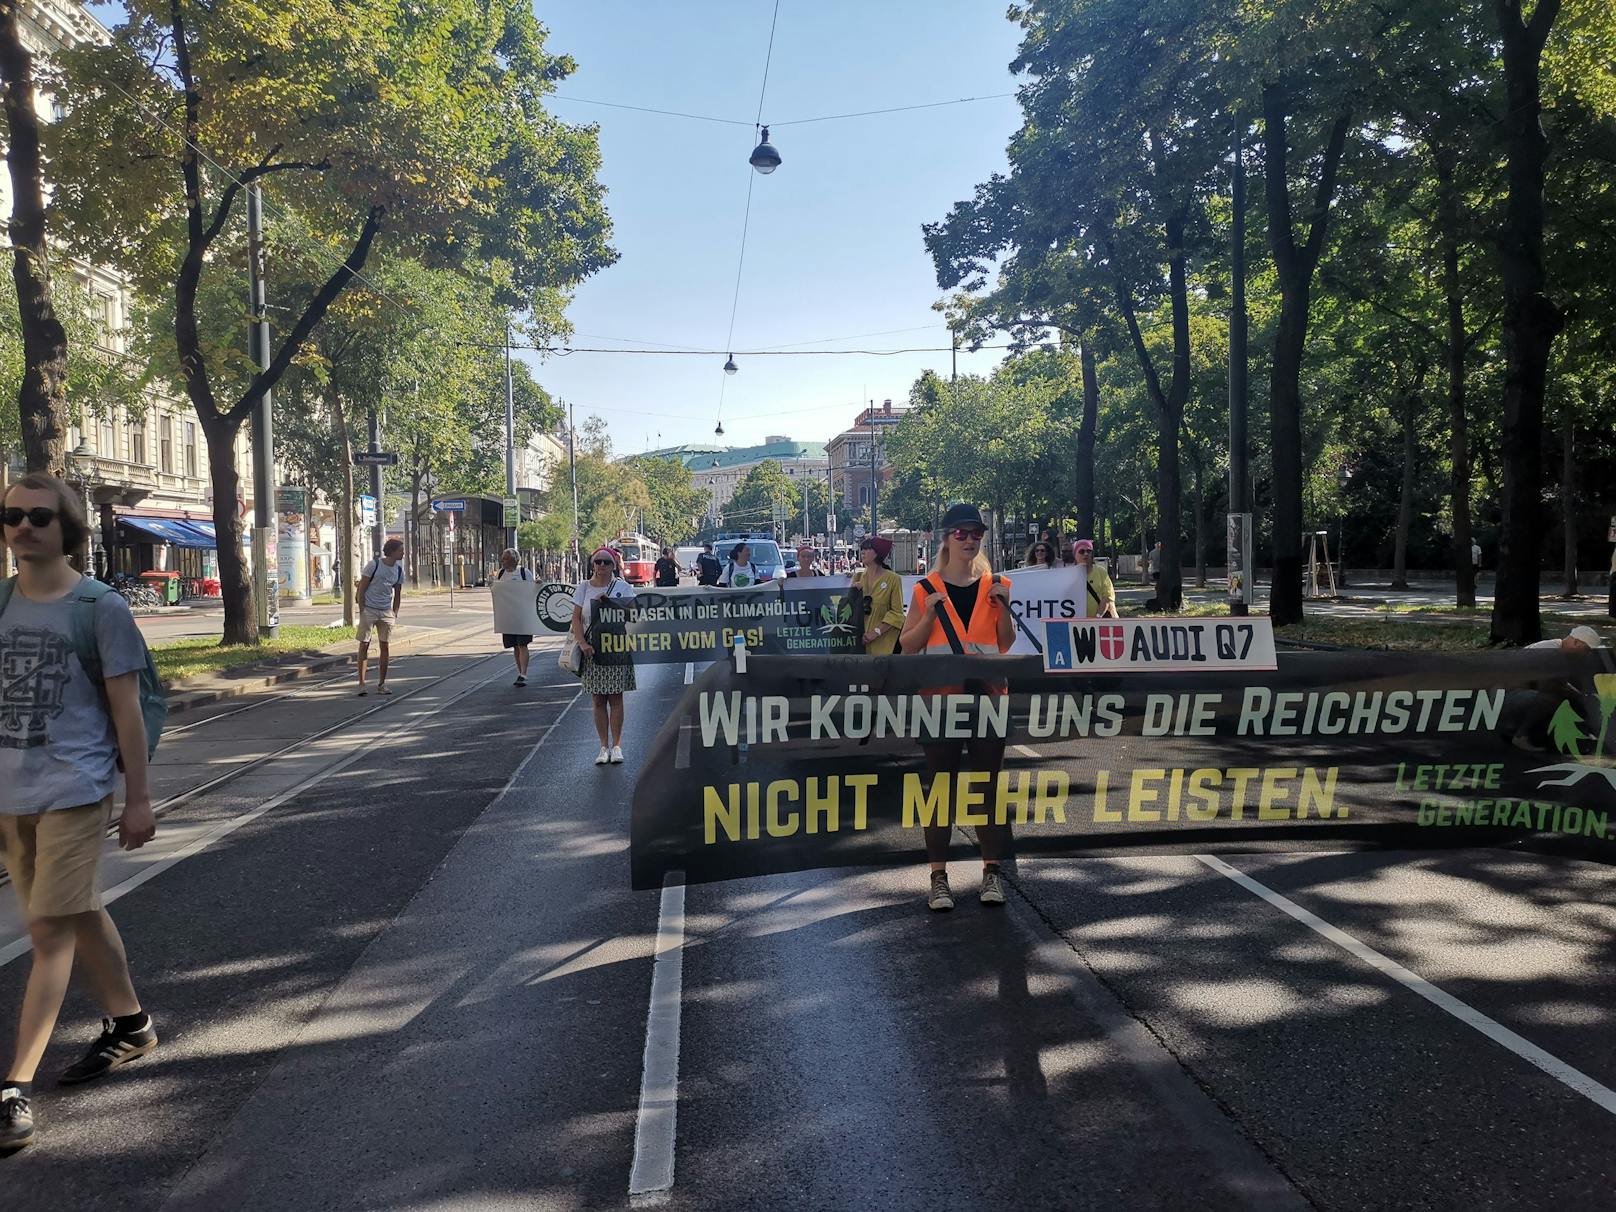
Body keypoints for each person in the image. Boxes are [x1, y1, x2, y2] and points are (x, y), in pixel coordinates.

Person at [0, 474, 159, 1153]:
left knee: (48, 930)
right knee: (76, 910)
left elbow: (127, 709)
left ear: (68, 527)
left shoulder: (99, 607)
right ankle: (131, 1026)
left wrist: (140, 798)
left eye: (40, 515)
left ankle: (13, 1087)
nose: (24, 526)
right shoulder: (1, 602)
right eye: (12, 515)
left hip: (75, 786)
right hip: (11, 793)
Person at [899, 503, 1015, 912]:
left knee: (987, 788)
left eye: (975, 533)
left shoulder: (997, 584)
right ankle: (938, 879)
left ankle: (991, 874)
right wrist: (929, 616)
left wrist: (1004, 608)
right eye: (961, 533)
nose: (969, 540)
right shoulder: (925, 589)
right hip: (940, 700)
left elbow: (1005, 643)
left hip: (987, 697)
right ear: (945, 539)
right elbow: (908, 646)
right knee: (940, 790)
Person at [572, 547, 637, 765]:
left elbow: (634, 614)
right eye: (597, 561)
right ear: (592, 565)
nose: (601, 565)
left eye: (606, 562)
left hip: (616, 647)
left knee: (616, 698)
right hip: (593, 649)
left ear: (613, 566)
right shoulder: (583, 588)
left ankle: (617, 746)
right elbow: (576, 619)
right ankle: (603, 746)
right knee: (598, 699)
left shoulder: (623, 587)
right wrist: (582, 643)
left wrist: (611, 602)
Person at [355, 538, 405, 695]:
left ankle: (381, 684)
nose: (403, 553)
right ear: (392, 551)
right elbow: (361, 589)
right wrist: (362, 609)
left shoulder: (398, 570)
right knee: (364, 644)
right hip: (369, 609)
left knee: (385, 646)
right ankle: (362, 684)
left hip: (385, 612)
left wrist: (394, 612)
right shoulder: (374, 565)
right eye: (400, 550)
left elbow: (398, 593)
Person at [852, 536, 904, 655]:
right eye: (862, 549)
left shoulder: (893, 579)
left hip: (883, 646)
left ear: (877, 553)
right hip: (859, 645)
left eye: (867, 549)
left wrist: (876, 632)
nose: (863, 552)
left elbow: (897, 613)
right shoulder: (857, 577)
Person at [495, 548, 534, 686]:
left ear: (514, 560)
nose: (502, 561)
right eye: (503, 558)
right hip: (508, 616)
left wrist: (538, 585)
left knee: (522, 644)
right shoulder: (500, 574)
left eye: (505, 558)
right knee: (515, 646)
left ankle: (524, 673)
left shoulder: (524, 573)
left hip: (523, 615)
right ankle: (520, 672)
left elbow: (533, 590)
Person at [1072, 539, 1118, 618]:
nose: (1086, 554)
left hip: (1101, 621)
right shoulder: (1069, 575)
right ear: (1075, 555)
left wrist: (1097, 617)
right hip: (1077, 622)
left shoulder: (1101, 572)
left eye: (1089, 551)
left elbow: (1107, 597)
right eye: (1081, 551)